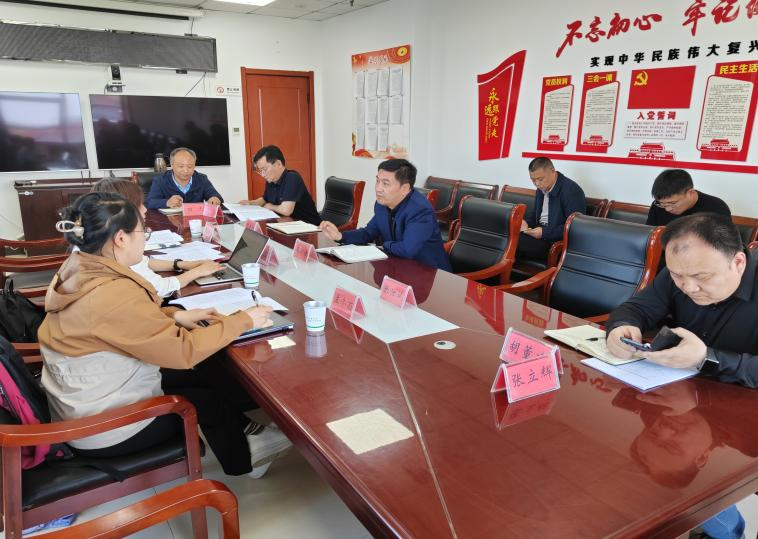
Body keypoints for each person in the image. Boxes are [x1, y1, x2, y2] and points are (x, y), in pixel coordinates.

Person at [39, 192, 292, 478]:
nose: (144, 239)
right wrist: (243, 320)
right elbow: (182, 351)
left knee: (195, 376)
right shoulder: (110, 291)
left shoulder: (79, 267)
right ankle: (247, 456)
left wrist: (175, 315)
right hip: (105, 428)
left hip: (84, 401)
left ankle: (251, 435)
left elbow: (118, 324)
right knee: (201, 397)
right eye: (142, 232)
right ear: (120, 238)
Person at [606, 213, 757, 539]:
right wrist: (622, 327)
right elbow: (636, 308)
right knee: (662, 480)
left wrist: (708, 358)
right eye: (677, 277)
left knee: (707, 489)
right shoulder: (682, 270)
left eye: (702, 277)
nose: (688, 288)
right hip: (688, 396)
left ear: (738, 262)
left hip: (746, 415)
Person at [92, 178, 222, 297]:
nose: (145, 209)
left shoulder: (102, 238)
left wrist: (182, 264)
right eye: (139, 204)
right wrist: (197, 272)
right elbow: (160, 288)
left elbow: (142, 262)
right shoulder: (122, 243)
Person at [320, 159, 452, 271]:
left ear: (405, 188)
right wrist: (340, 236)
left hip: (429, 275)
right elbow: (368, 233)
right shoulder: (382, 204)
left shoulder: (420, 210)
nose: (378, 188)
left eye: (385, 183)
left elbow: (407, 250)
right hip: (397, 269)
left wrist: (384, 245)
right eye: (377, 181)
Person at [516, 157, 586, 262]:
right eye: (533, 180)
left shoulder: (572, 191)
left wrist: (544, 232)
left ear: (552, 171)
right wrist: (526, 224)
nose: (537, 184)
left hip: (554, 242)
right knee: (508, 235)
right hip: (539, 235)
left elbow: (574, 228)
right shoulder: (541, 188)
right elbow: (535, 215)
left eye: (540, 179)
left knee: (512, 242)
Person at [239, 145, 321, 225]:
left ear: (278, 163)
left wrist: (270, 206)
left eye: (265, 169)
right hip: (288, 225)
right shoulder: (271, 180)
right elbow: (264, 199)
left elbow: (286, 210)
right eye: (260, 171)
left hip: (310, 227)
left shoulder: (292, 178)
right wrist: (250, 203)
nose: (263, 175)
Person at [646, 169, 731, 227]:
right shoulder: (657, 206)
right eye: (662, 204)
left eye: (672, 203)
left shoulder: (717, 208)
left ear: (690, 193)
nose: (667, 209)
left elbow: (724, 243)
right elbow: (649, 236)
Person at [146, 147, 223, 209]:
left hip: (195, 220)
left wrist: (215, 199)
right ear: (172, 165)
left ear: (194, 165)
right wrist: (167, 202)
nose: (185, 170)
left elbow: (216, 196)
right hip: (169, 221)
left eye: (190, 166)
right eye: (181, 166)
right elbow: (150, 202)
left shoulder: (202, 179)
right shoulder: (160, 180)